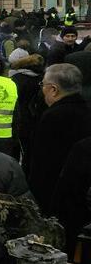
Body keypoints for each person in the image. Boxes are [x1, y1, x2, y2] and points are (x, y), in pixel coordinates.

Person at [28, 64, 91, 214]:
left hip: (53, 197)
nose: (42, 89)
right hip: (80, 197)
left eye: (43, 84)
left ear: (54, 90)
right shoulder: (87, 111)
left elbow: (40, 164)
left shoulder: (52, 117)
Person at [8, 47, 46, 171]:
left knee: (20, 148)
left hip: (21, 118)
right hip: (38, 117)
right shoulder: (42, 78)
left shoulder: (16, 80)